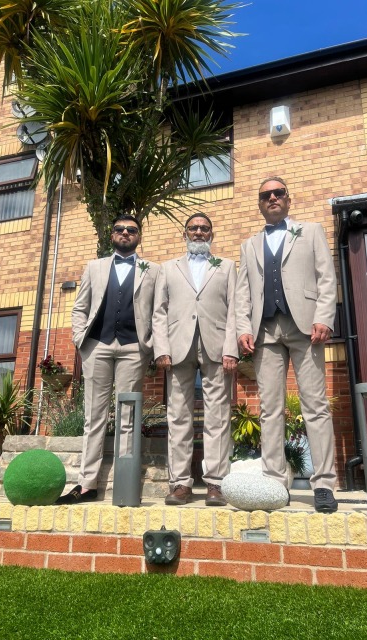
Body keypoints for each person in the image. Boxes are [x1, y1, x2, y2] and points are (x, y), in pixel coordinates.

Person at [236, 177, 338, 513]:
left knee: (315, 405)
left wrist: (324, 317)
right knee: (269, 409)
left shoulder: (311, 232)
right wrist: (243, 328)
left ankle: (323, 484)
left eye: (278, 193)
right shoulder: (249, 245)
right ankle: (275, 484)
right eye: (265, 195)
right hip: (265, 331)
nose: (272, 198)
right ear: (259, 203)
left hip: (306, 327)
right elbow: (243, 292)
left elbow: (326, 277)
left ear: (288, 199)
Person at [56, 214, 159, 503]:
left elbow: (159, 311)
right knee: (94, 416)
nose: (125, 233)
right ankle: (87, 484)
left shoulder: (153, 270)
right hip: (97, 346)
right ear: (112, 235)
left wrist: (150, 344)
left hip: (134, 347)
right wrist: (80, 339)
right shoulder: (95, 267)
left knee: (127, 416)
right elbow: (80, 307)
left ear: (139, 236)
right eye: (119, 229)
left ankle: (125, 484)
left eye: (131, 230)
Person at [153, 213, 238, 506]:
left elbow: (235, 309)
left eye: (204, 228)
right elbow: (159, 311)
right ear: (185, 234)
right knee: (178, 416)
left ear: (211, 234)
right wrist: (161, 348)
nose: (199, 232)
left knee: (218, 416)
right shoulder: (168, 268)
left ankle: (216, 483)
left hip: (216, 345)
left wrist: (231, 348)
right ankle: (180, 484)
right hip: (178, 347)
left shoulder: (227, 266)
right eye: (193, 228)